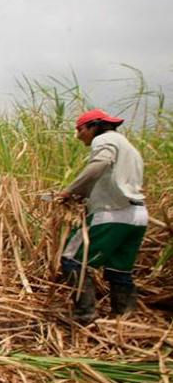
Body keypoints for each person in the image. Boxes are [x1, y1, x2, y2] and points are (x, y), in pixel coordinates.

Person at [57, 109, 147, 323]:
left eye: (80, 130)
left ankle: (84, 315)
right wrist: (85, 196)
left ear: (93, 126)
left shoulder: (105, 139)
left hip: (112, 214)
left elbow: (99, 165)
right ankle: (124, 317)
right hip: (137, 215)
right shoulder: (127, 146)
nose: (78, 136)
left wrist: (70, 190)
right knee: (119, 269)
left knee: (72, 259)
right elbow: (115, 179)